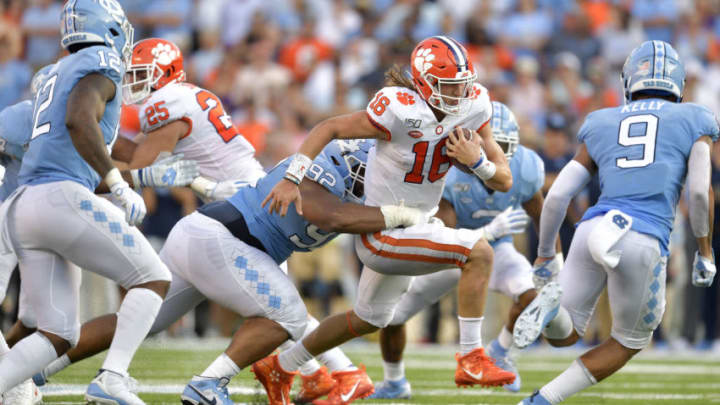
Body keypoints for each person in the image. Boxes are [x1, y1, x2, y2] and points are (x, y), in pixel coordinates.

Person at [32, 139, 430, 405]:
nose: (373, 183)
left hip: (203, 237)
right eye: (368, 173)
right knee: (285, 314)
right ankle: (208, 384)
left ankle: (37, 369)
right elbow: (333, 215)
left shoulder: (333, 178)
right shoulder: (317, 178)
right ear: (345, 166)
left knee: (138, 320)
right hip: (226, 242)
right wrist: (396, 215)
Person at [256, 35, 516, 405]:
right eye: (449, 86)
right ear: (425, 83)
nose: (459, 94)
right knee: (479, 252)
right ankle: (472, 357)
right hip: (383, 231)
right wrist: (291, 177)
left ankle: (280, 366)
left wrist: (478, 163)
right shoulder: (399, 108)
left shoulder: (475, 104)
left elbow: (503, 180)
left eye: (463, 84)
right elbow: (328, 128)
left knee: (368, 318)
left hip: (416, 226)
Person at [517, 40, 718, 404]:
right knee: (629, 341)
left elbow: (559, 194)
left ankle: (549, 310)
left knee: (563, 334)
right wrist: (705, 251)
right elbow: (701, 193)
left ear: (629, 78)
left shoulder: (601, 120)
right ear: (678, 82)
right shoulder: (696, 117)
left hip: (593, 226)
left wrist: (546, 254)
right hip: (642, 235)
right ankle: (542, 400)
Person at [0, 1, 174, 404]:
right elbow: (80, 119)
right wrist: (117, 184)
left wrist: (140, 172)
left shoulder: (50, 74)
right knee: (154, 278)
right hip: (60, 197)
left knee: (58, 334)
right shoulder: (102, 59)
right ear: (110, 29)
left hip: (25, 205)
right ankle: (112, 378)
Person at [369, 101, 561, 398]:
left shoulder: (524, 168)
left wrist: (552, 261)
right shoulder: (452, 172)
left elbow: (543, 217)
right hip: (448, 255)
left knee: (532, 295)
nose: (496, 154)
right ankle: (394, 382)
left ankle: (499, 352)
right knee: (392, 316)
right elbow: (445, 235)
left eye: (504, 147)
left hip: (496, 251)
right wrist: (488, 231)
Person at [121, 37, 266, 202]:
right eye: (131, 74)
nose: (133, 81)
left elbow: (139, 165)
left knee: (184, 228)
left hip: (238, 193)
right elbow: (134, 149)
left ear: (167, 72)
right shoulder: (187, 94)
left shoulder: (167, 101)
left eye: (140, 74)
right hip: (247, 183)